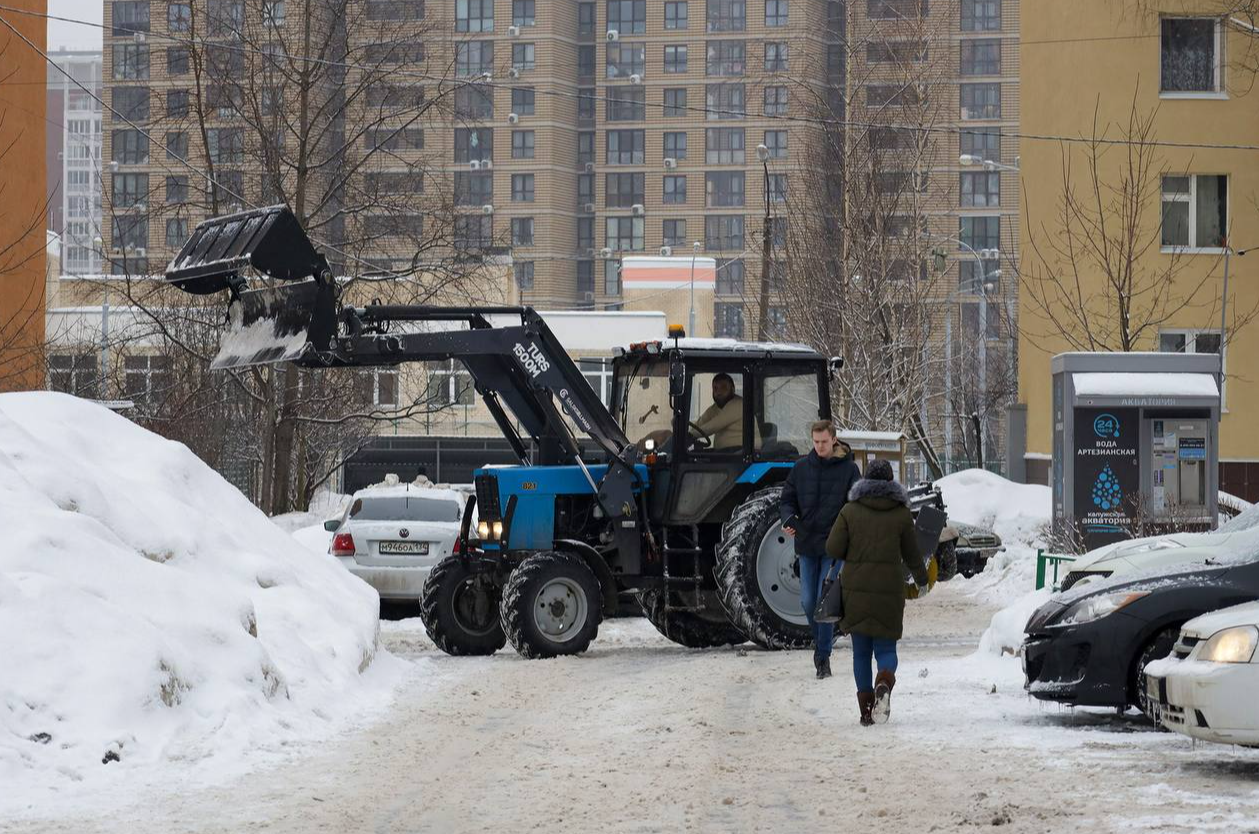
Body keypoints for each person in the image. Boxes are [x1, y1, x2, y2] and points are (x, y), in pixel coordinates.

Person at [826, 458, 929, 725]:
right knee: (886, 648)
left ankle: (866, 712)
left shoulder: (850, 510)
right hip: (889, 591)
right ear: (890, 481)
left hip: (855, 590)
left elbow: (833, 548)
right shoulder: (901, 514)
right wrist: (922, 580)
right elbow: (912, 554)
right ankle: (884, 681)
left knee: (861, 652)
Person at [780, 420, 861, 679]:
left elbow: (856, 504)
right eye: (815, 442)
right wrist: (788, 519)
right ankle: (822, 644)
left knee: (823, 601)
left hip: (833, 547)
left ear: (834, 439)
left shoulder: (849, 470)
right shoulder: (801, 468)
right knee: (807, 602)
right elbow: (787, 499)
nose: (819, 446)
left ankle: (822, 656)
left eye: (824, 442)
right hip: (806, 544)